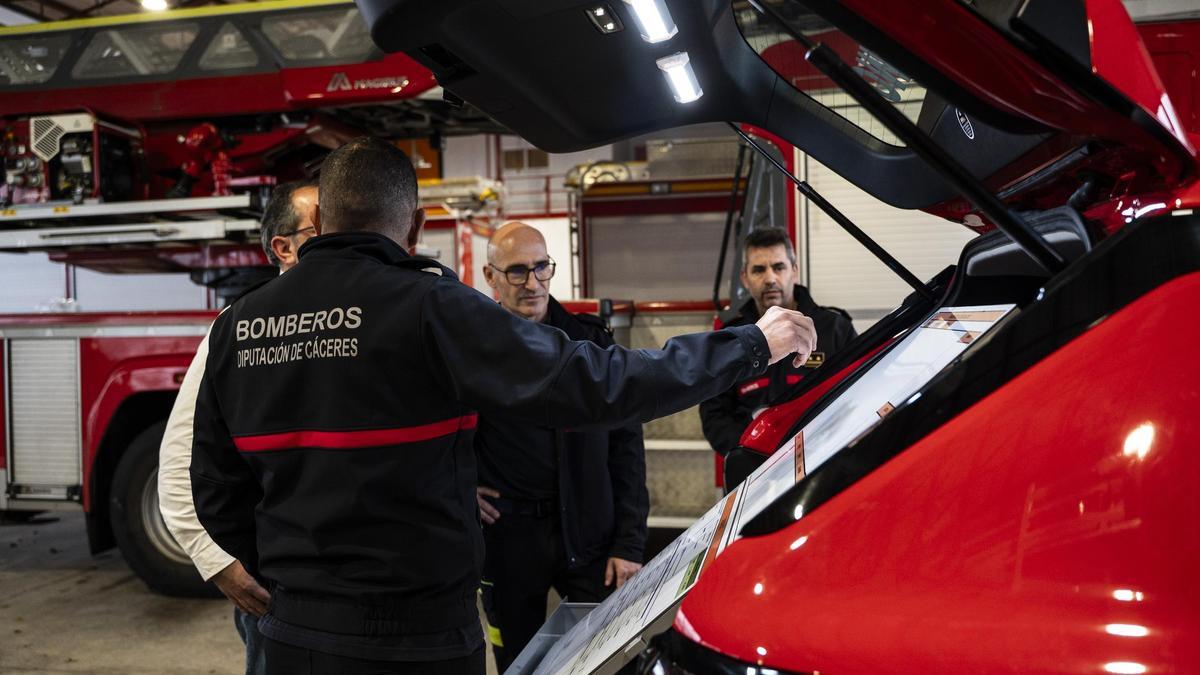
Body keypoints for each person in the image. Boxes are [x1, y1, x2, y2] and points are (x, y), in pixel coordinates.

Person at [189, 137, 817, 675]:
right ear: (412, 226)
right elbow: (598, 385)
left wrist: (297, 581)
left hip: (294, 635)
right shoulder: (429, 306)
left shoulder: (237, 324)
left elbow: (214, 490)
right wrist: (751, 344)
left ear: (320, 221)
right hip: (421, 633)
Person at [158, 179, 318, 675]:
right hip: (277, 593)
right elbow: (178, 463)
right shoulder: (240, 327)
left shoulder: (362, 318)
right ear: (283, 248)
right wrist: (220, 565)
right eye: (324, 227)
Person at [475, 222, 648, 670]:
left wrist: (629, 543)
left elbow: (626, 447)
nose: (533, 284)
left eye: (541, 268)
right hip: (507, 545)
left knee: (609, 660)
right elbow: (439, 434)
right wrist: (458, 489)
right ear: (490, 277)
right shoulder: (470, 349)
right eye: (517, 272)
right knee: (517, 663)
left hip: (594, 540)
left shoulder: (590, 341)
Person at [700, 227, 857, 490]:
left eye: (779, 267)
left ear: (794, 270)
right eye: (759, 270)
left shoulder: (834, 329)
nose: (770, 278)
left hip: (822, 473)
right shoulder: (730, 338)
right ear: (745, 278)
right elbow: (714, 414)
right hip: (752, 479)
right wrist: (753, 452)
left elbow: (856, 400)